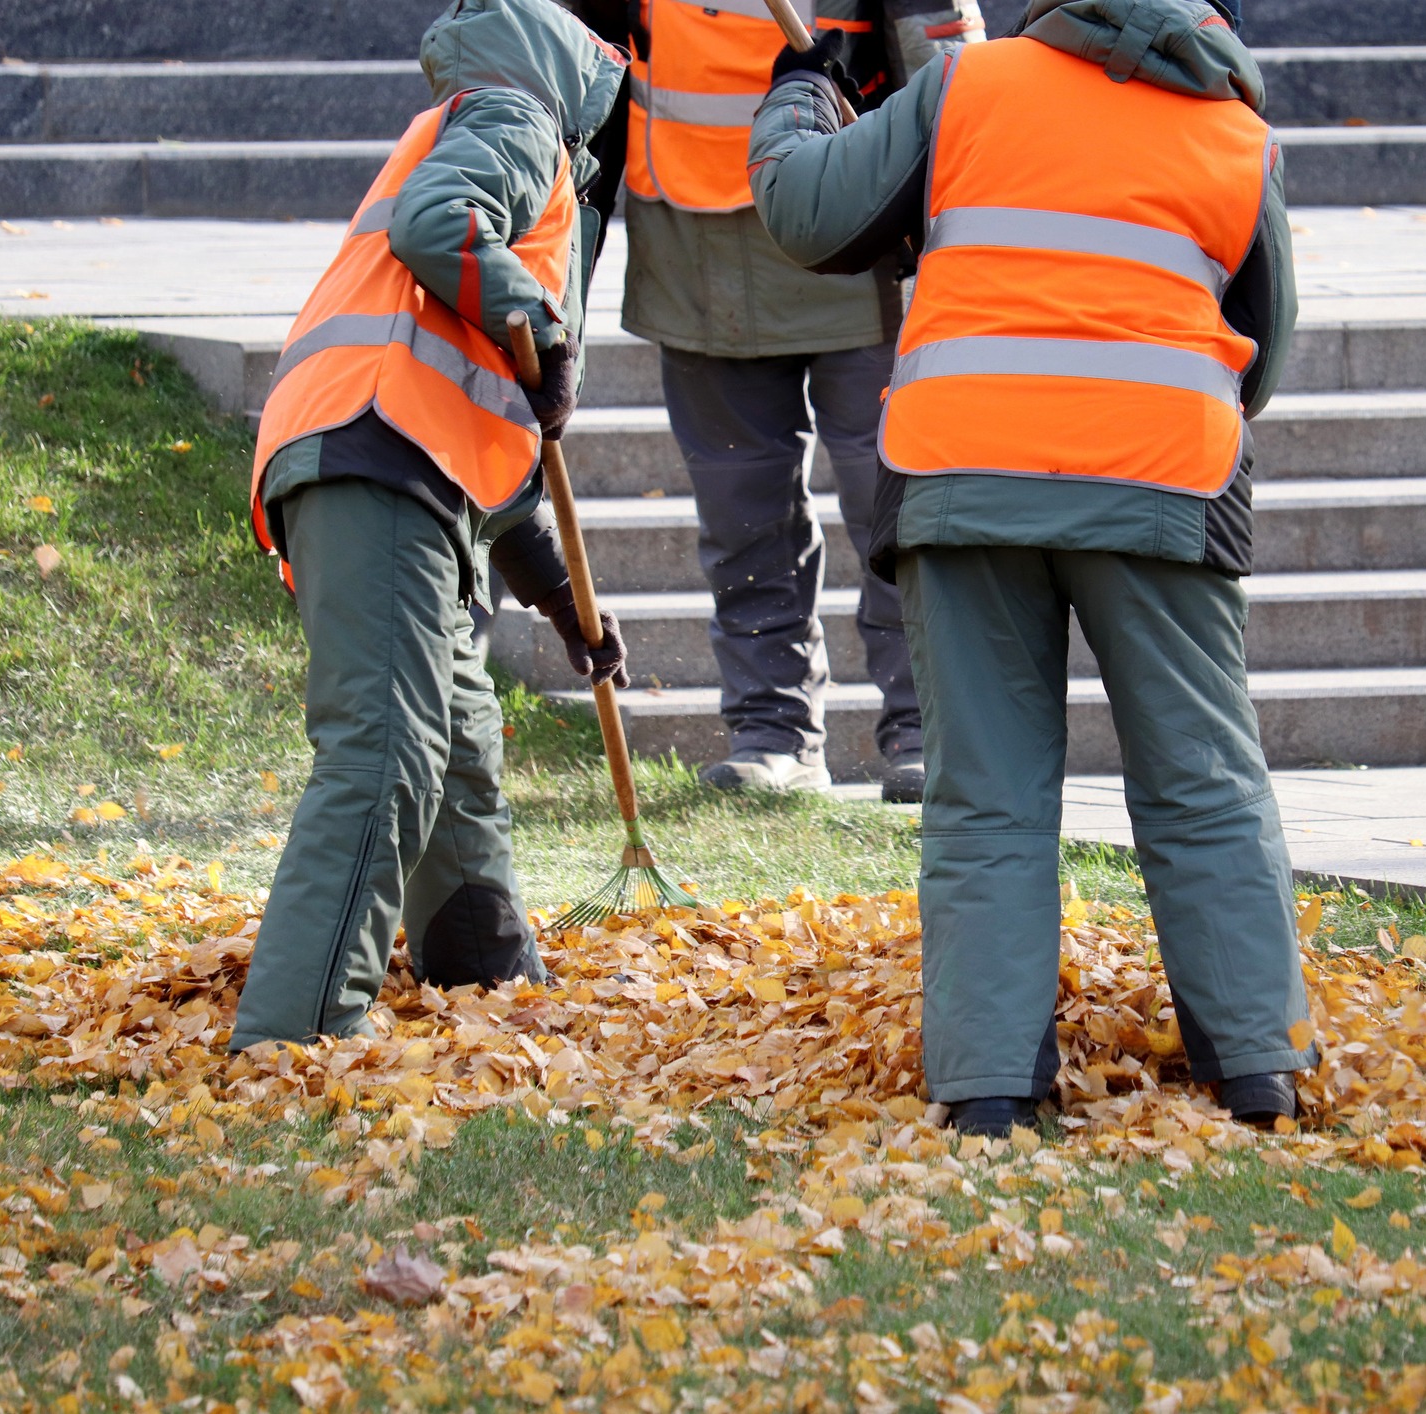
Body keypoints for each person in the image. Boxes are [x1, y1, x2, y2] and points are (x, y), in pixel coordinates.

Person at [748, 0, 1318, 1131]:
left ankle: (986, 1089)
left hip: (967, 471)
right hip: (1162, 477)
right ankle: (1259, 1067)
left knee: (988, 793)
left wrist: (800, 89)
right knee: (1204, 777)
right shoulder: (1238, 134)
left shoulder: (974, 84)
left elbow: (806, 213)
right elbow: (1270, 339)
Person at [231, 0, 632, 1051]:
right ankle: (297, 1034)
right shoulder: (519, 116)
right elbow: (437, 228)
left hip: (403, 461)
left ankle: (482, 971)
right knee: (387, 751)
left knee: (455, 742)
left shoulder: (489, 120)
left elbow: (488, 429)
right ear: (588, 80)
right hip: (377, 446)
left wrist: (556, 594)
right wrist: (540, 322)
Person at [570, 0, 983, 802]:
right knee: (740, 505)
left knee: (897, 502)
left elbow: (958, 87)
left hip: (854, 238)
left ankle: (924, 729)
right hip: (691, 250)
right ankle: (771, 732)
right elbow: (577, 86)